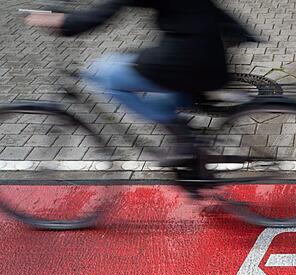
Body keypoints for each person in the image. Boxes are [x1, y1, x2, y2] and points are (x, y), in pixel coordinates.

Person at [26, 0, 257, 161]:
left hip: (192, 59)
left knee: (108, 74)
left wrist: (62, 22)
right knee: (124, 63)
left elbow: (102, 14)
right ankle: (189, 145)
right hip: (208, 53)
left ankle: (182, 136)